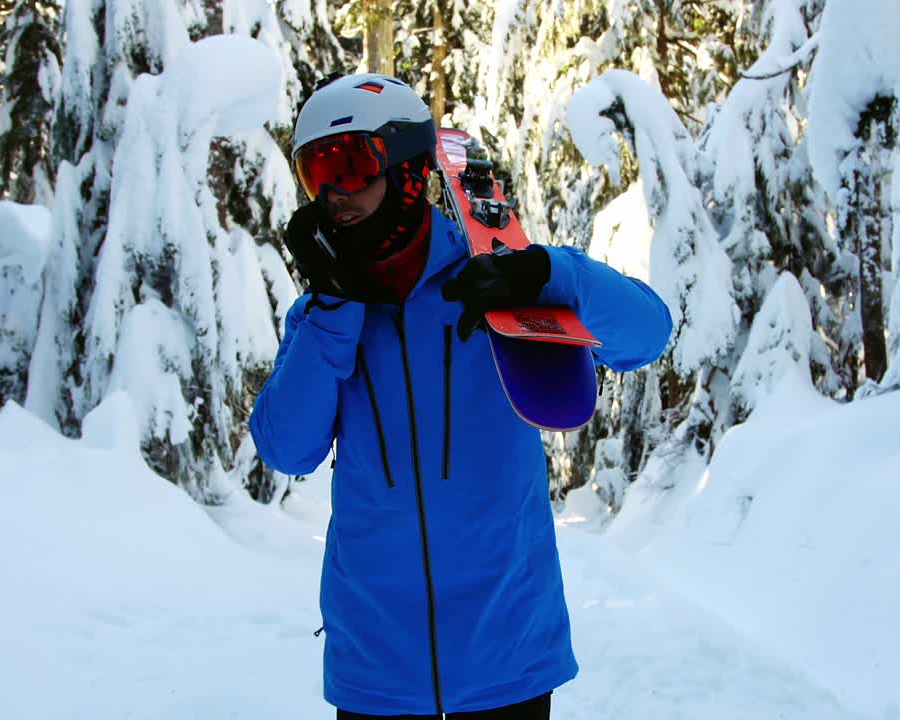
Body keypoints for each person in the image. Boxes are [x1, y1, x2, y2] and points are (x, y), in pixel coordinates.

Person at [249, 73, 672, 719]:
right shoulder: (323, 316)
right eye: (316, 172)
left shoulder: (498, 282)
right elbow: (287, 448)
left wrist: (552, 273)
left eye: (352, 164)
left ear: (410, 170)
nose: (334, 192)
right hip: (376, 664)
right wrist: (334, 306)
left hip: (509, 653)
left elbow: (647, 334)